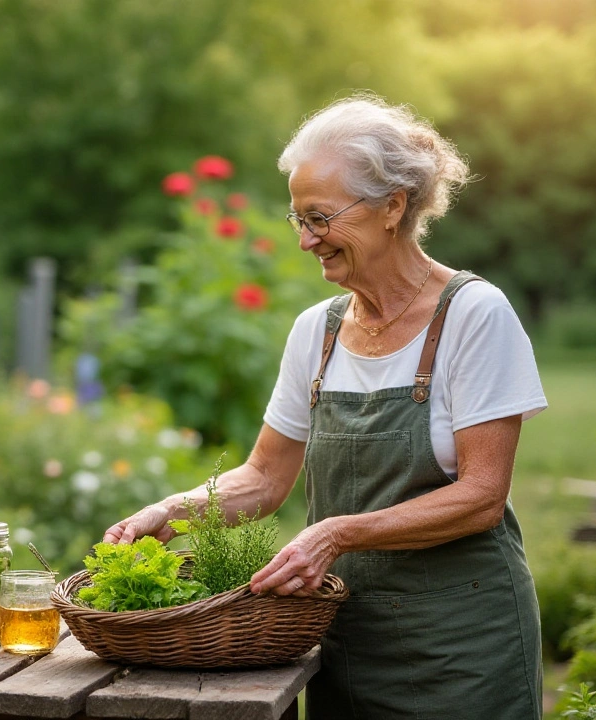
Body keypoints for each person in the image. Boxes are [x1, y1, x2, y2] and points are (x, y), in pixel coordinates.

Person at [104, 95, 547, 719]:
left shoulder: (474, 315)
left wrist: (337, 532)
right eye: (297, 219)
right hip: (345, 643)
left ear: (393, 206)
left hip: (463, 647)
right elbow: (263, 477)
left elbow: (482, 495)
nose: (307, 240)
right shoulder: (319, 330)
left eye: (320, 218)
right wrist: (170, 512)